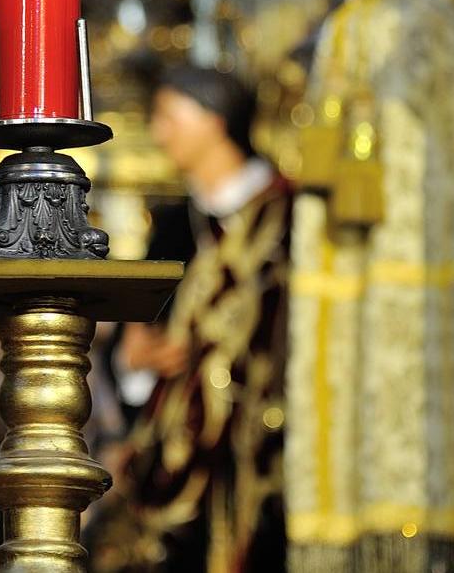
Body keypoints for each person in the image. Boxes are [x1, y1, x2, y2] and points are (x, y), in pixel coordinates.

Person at [91, 64, 292, 573]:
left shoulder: (286, 218)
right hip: (175, 462)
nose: (158, 133)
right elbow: (135, 347)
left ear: (213, 119)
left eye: (168, 116)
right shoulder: (174, 228)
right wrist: (136, 363)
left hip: (263, 455)